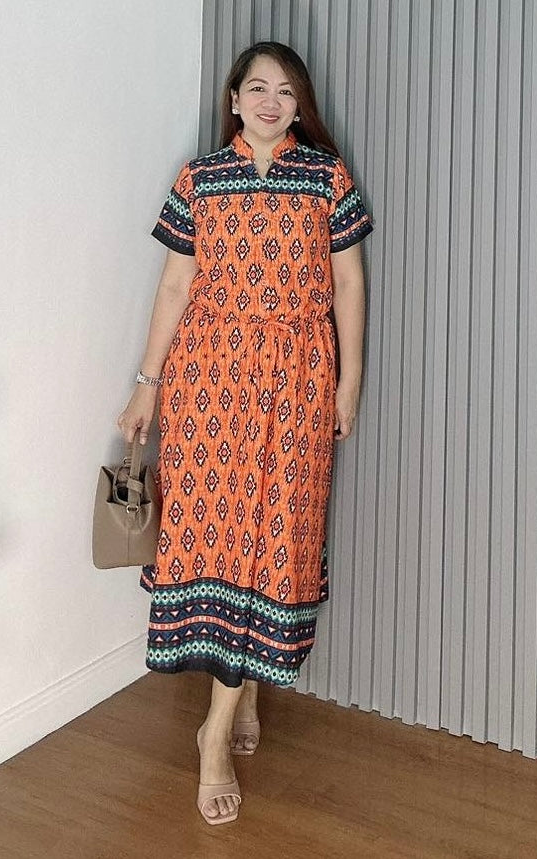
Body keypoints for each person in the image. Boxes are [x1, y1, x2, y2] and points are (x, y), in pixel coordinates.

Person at [117, 40, 373, 825]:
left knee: (277, 535)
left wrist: (348, 382)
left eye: (285, 91)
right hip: (209, 375)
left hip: (298, 373)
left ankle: (228, 706)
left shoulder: (324, 176)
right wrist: (146, 385)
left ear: (299, 106)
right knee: (218, 537)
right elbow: (175, 283)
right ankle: (220, 725)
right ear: (233, 99)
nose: (269, 101)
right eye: (256, 88)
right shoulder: (199, 178)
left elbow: (348, 281)